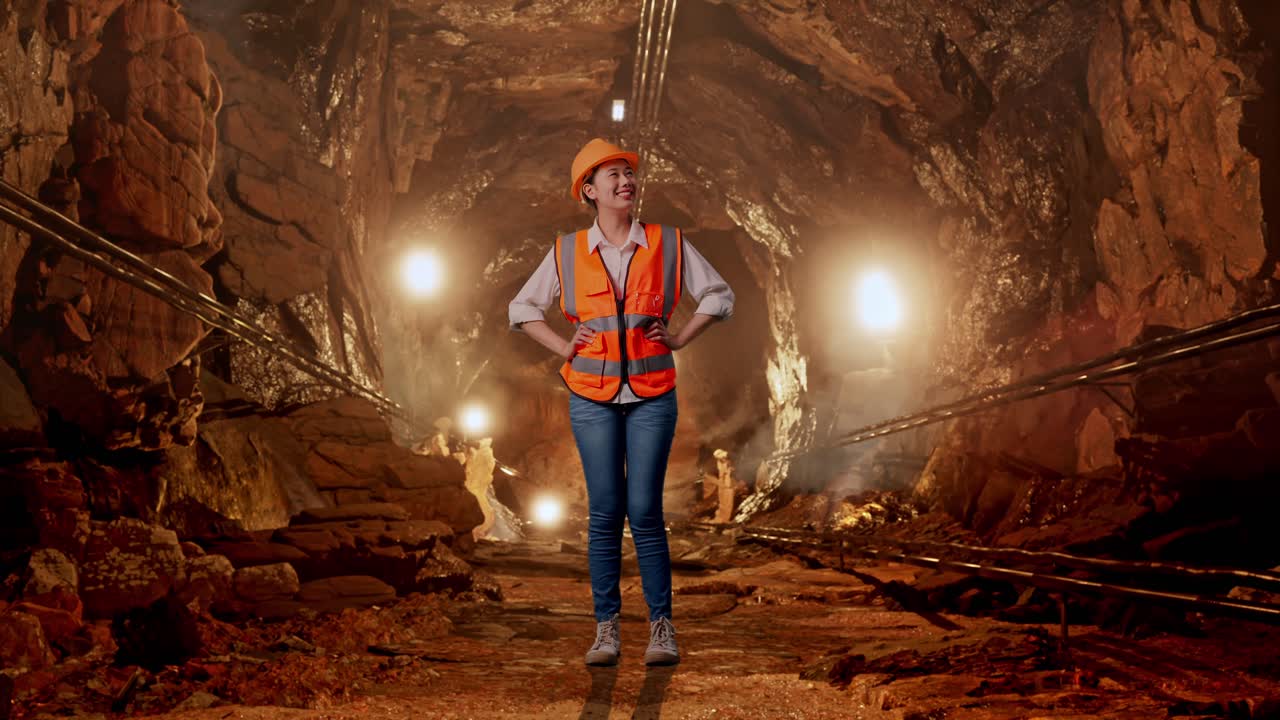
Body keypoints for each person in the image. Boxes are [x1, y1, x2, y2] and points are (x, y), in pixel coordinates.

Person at [508, 138, 734, 667]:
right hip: (591, 396)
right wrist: (565, 347)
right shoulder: (566, 251)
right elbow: (521, 308)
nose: (625, 181)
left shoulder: (668, 243)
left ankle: (661, 629)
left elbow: (719, 296)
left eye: (629, 173)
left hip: (653, 395)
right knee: (606, 513)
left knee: (645, 512)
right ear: (589, 190)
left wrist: (680, 338)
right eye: (611, 175)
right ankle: (606, 630)